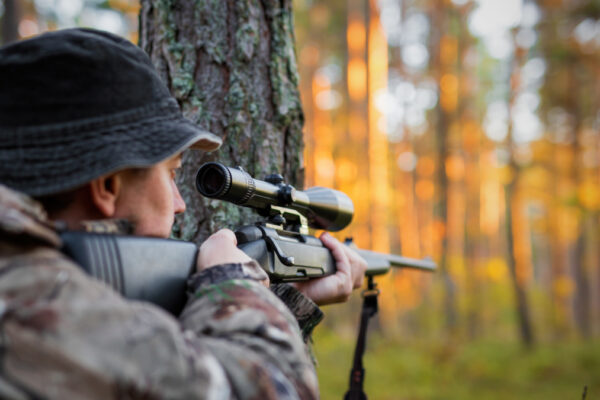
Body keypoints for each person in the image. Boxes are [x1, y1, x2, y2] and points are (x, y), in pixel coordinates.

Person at [0, 28, 367, 399]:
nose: (180, 203)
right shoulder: (33, 305)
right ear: (107, 187)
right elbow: (275, 390)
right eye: (172, 173)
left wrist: (279, 301)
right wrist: (233, 282)